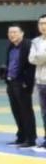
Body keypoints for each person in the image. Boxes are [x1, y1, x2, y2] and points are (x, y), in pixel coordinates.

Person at [1, 25, 36, 148]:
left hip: (22, 83)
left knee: (26, 111)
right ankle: (21, 136)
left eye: (15, 32)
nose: (12, 35)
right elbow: (10, 63)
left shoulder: (28, 45)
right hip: (11, 83)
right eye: (10, 32)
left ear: (22, 33)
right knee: (16, 111)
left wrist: (27, 82)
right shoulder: (10, 46)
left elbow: (31, 66)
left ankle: (30, 139)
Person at [29, 15, 46, 151]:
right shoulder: (35, 41)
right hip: (40, 82)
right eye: (41, 23)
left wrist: (39, 56)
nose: (43, 26)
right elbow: (32, 59)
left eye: (45, 23)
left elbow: (37, 57)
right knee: (44, 112)